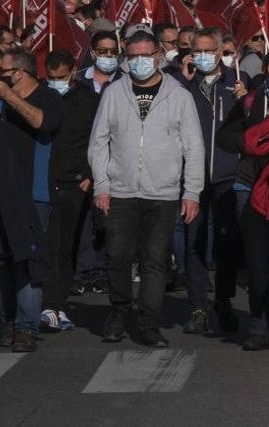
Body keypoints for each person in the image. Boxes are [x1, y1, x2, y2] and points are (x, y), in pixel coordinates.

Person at [88, 30, 205, 347]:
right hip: (121, 191)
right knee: (117, 256)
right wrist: (102, 184)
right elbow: (98, 142)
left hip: (163, 194)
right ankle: (119, 310)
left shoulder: (179, 96)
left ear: (158, 57)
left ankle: (149, 322)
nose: (140, 62)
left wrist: (192, 192)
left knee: (155, 261)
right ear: (126, 59)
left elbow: (194, 147)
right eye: (133, 56)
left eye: (146, 55)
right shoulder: (114, 94)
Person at [216, 47, 269, 352]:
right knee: (259, 261)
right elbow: (227, 138)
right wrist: (259, 140)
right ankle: (260, 322)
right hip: (253, 188)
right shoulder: (253, 100)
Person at [0, 48, 63, 352]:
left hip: (33, 195)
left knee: (26, 263)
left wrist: (10, 98)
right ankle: (9, 320)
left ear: (19, 74)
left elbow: (43, 123)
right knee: (1, 261)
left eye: (2, 72)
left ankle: (27, 326)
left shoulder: (49, 96)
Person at [173, 27, 247, 335]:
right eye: (196, 51)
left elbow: (255, 124)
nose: (202, 56)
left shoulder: (238, 83)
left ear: (220, 52)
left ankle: (224, 301)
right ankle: (198, 306)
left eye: (208, 50)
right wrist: (183, 82)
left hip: (228, 177)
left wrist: (248, 99)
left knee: (228, 242)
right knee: (195, 243)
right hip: (193, 178)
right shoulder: (182, 86)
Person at [40, 50, 101, 333]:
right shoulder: (41, 95)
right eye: (51, 78)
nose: (56, 83)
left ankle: (57, 304)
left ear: (74, 71)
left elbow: (99, 139)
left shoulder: (89, 100)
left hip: (76, 183)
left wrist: (90, 175)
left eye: (61, 77)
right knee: (47, 247)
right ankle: (47, 304)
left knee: (66, 247)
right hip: (44, 182)